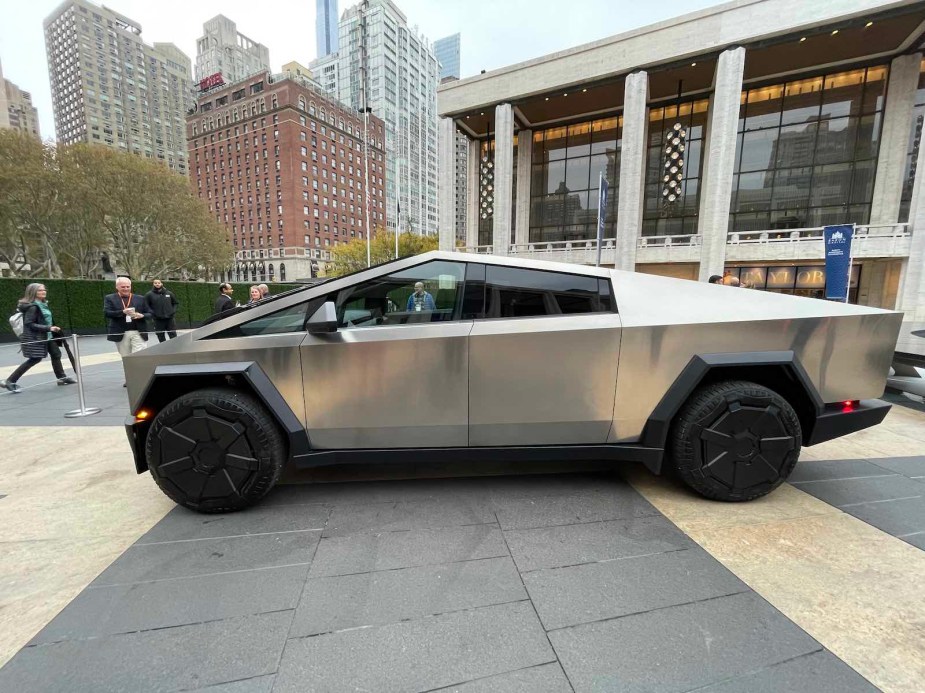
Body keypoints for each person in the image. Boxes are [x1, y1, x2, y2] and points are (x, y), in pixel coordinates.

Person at [1, 283, 76, 393]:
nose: (43, 292)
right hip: (37, 336)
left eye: (44, 290)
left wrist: (51, 329)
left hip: (47, 335)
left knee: (56, 354)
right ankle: (10, 381)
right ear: (33, 292)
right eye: (40, 290)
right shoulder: (33, 307)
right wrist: (49, 328)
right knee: (35, 358)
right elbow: (29, 324)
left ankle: (61, 378)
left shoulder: (43, 304)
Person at [104, 277, 152, 386]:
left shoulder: (140, 298)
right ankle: (130, 378)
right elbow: (107, 313)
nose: (126, 288)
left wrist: (142, 315)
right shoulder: (110, 298)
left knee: (138, 356)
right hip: (121, 333)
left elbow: (150, 313)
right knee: (126, 358)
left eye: (128, 286)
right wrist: (122, 312)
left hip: (138, 332)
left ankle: (139, 378)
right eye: (123, 287)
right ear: (117, 287)